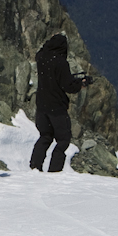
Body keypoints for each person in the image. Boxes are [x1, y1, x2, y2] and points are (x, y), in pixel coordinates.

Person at [29, 33, 91, 173]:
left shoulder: (41, 58)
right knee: (63, 140)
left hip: (41, 106)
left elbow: (42, 50)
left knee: (45, 136)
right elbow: (67, 86)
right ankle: (54, 171)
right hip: (56, 107)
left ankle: (34, 166)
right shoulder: (61, 63)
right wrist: (80, 84)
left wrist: (48, 41)